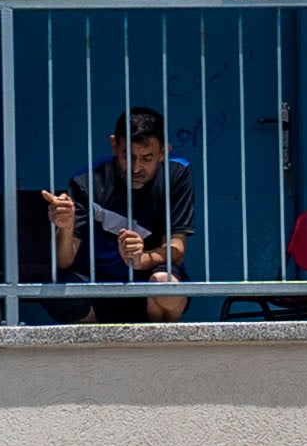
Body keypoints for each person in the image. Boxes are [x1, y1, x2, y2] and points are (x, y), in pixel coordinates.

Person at [36, 107, 194, 321]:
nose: (136, 167)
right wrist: (64, 227)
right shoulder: (87, 182)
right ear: (114, 145)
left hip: (147, 283)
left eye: (147, 158)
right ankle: (96, 348)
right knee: (55, 289)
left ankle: (158, 351)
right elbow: (64, 261)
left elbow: (177, 248)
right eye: (128, 156)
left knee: (165, 284)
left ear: (164, 152)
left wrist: (142, 259)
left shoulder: (176, 175)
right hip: (97, 286)